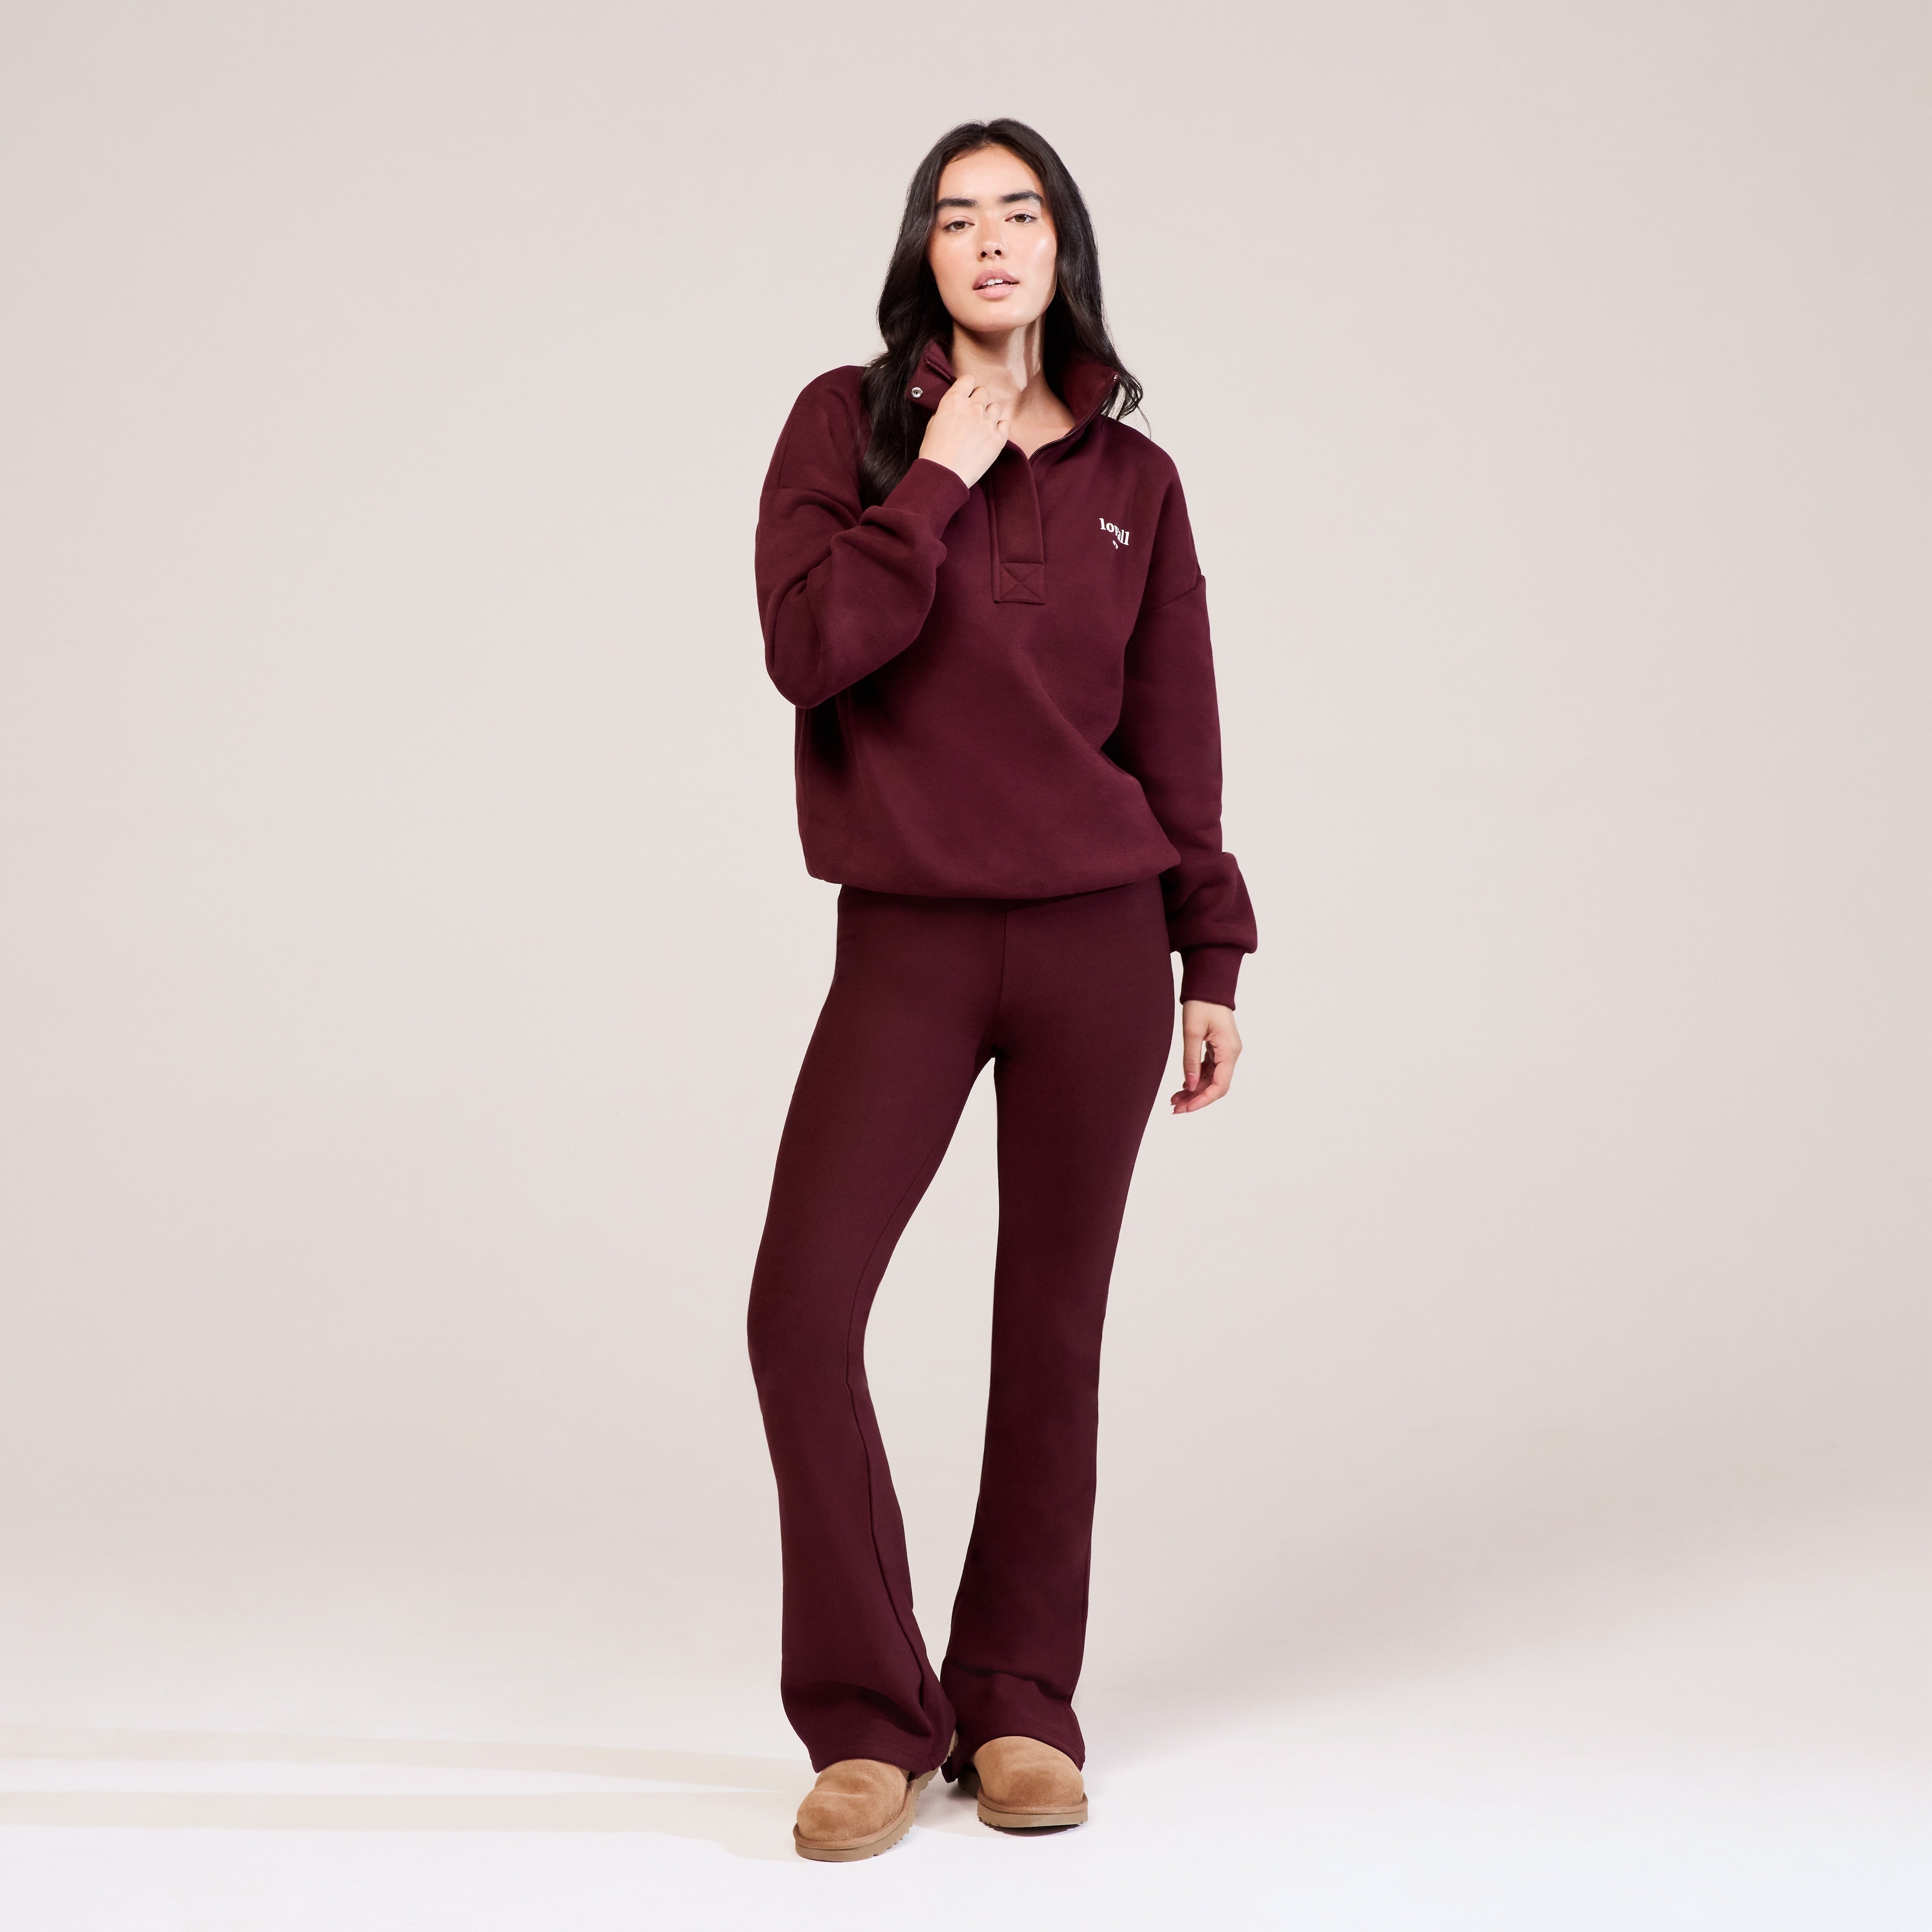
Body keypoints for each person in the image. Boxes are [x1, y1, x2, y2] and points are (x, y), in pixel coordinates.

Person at [747, 118, 1257, 1862]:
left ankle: (1021, 1697)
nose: (988, 239)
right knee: (799, 1312)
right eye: (956, 214)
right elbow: (807, 650)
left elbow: (1175, 733)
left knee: (1051, 1332)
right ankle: (871, 1720)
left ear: (1061, 246)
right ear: (923, 251)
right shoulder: (846, 426)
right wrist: (936, 481)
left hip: (1101, 942)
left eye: (1018, 212)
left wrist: (1210, 951)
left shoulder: (1139, 480)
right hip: (910, 937)